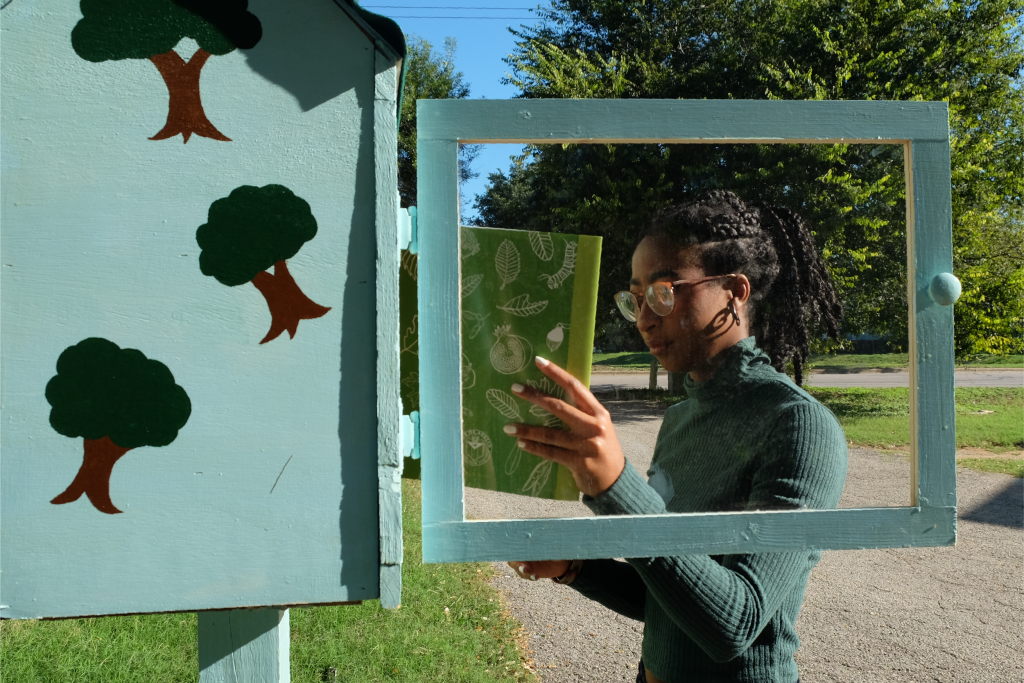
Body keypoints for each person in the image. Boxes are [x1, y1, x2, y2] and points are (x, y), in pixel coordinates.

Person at [503, 190, 848, 683]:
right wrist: (575, 568)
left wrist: (615, 487)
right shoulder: (681, 417)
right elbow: (672, 598)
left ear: (735, 290)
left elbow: (735, 622)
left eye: (665, 291)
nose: (644, 317)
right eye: (636, 298)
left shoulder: (797, 425)